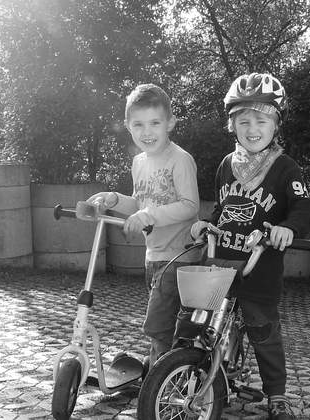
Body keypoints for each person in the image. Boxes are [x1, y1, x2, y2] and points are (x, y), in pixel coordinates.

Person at [191, 73, 310, 420]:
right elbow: (222, 208)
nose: (252, 128)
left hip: (260, 267)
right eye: (243, 121)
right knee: (199, 321)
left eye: (261, 120)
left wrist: (288, 228)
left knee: (263, 331)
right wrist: (207, 224)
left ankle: (277, 395)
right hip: (220, 262)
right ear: (232, 125)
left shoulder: (286, 168)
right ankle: (200, 373)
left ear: (276, 125)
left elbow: (303, 207)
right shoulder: (226, 165)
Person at [87, 83, 200, 367]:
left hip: (180, 256)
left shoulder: (180, 159)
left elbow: (190, 205)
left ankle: (160, 377)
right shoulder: (139, 162)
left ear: (170, 123)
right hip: (153, 256)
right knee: (164, 322)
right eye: (138, 124)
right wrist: (114, 199)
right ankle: (164, 369)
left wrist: (149, 215)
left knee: (159, 324)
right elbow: (140, 203)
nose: (146, 132)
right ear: (128, 126)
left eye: (154, 123)